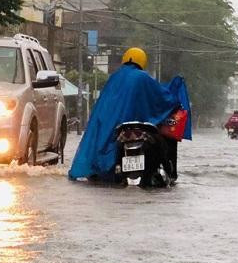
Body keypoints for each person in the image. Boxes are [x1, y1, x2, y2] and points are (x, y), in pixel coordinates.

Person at [69, 47, 192, 182]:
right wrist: (176, 92)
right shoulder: (143, 78)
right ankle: (170, 174)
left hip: (115, 129)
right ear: (142, 61)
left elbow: (104, 106)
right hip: (138, 129)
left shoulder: (114, 78)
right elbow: (161, 97)